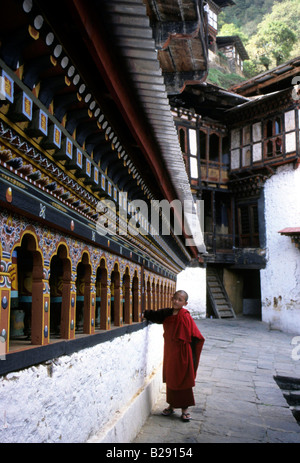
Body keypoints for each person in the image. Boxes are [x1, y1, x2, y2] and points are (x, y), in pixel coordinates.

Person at [143, 290, 205, 422]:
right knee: (171, 378)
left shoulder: (185, 316)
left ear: (185, 303)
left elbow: (197, 336)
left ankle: (185, 410)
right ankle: (171, 406)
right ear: (172, 298)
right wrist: (144, 314)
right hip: (171, 352)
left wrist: (192, 354)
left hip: (183, 353)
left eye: (180, 300)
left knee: (183, 380)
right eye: (175, 298)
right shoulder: (167, 313)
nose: (176, 301)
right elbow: (155, 315)